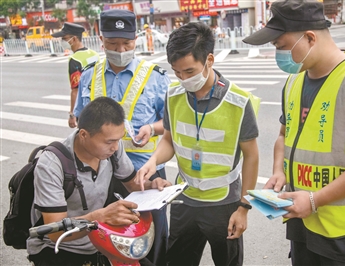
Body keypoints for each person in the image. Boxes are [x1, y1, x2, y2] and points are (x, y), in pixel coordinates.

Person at [243, 0, 345, 265]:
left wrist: (315, 199)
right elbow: (283, 135)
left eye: (281, 47)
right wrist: (279, 170)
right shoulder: (294, 81)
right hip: (304, 229)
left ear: (310, 37)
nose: (279, 55)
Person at [137, 22, 260, 266]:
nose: (183, 79)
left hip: (223, 203)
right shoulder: (173, 95)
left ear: (209, 60)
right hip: (184, 199)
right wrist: (153, 160)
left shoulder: (238, 102)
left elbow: (252, 157)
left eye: (190, 72)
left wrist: (244, 207)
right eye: (177, 72)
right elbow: (169, 140)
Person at [74, 9, 170, 266]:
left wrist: (152, 127)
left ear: (135, 39)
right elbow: (78, 122)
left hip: (144, 173)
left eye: (126, 43)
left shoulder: (154, 76)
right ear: (101, 39)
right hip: (99, 174)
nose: (120, 49)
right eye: (113, 43)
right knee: (105, 240)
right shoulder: (89, 74)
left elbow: (170, 124)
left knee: (149, 241)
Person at [27, 97, 171, 266]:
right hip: (59, 248)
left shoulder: (112, 151)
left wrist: (151, 185)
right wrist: (99, 217)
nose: (116, 147)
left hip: (102, 241)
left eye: (119, 139)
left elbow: (131, 183)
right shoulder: (52, 164)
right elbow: (56, 232)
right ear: (83, 135)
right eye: (109, 142)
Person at [51, 22, 100, 128]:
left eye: (64, 38)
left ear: (73, 39)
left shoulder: (75, 59)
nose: (62, 41)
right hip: (99, 102)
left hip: (85, 107)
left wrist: (72, 115)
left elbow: (75, 90)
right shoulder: (94, 54)